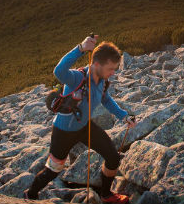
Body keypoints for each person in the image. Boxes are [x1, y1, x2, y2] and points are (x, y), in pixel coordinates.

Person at [25, 35, 137, 203]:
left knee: (113, 157)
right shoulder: (77, 78)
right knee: (54, 170)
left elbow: (106, 99)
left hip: (85, 127)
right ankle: (30, 194)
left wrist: (124, 116)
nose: (113, 73)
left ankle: (106, 195)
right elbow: (59, 71)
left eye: (115, 69)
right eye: (111, 69)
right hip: (64, 131)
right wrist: (81, 49)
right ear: (97, 64)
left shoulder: (103, 81)